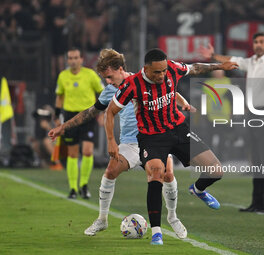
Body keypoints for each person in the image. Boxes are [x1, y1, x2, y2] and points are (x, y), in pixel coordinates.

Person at [49, 49, 190, 239]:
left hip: (156, 138)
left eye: (109, 77)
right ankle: (102, 219)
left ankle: (173, 217)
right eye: (105, 78)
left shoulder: (143, 79)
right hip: (131, 143)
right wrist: (63, 127)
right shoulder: (110, 91)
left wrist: (182, 101)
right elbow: (90, 112)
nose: (107, 81)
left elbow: (169, 89)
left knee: (168, 175)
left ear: (119, 69)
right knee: (110, 171)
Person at [105, 48, 238, 245]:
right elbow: (110, 112)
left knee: (216, 171)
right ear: (146, 69)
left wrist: (220, 66)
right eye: (156, 72)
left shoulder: (173, 69)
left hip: (178, 129)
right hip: (152, 137)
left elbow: (195, 68)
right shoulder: (132, 85)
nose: (161, 75)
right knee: (157, 173)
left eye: (163, 71)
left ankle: (199, 190)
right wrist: (111, 141)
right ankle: (157, 231)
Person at [199, 32, 264, 213]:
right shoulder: (251, 61)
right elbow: (231, 59)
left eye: (261, 42)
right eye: (255, 42)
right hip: (253, 113)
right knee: (257, 158)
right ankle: (256, 202)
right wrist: (213, 56)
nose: (258, 45)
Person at [54, 47, 104, 199]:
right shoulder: (63, 76)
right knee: (73, 153)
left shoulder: (90, 75)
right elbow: (60, 97)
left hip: (88, 116)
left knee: (87, 151)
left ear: (81, 59)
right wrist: (57, 117)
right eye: (70, 58)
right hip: (70, 117)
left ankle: (84, 185)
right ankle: (73, 188)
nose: (73, 60)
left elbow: (102, 92)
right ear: (67, 60)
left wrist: (102, 112)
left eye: (76, 57)